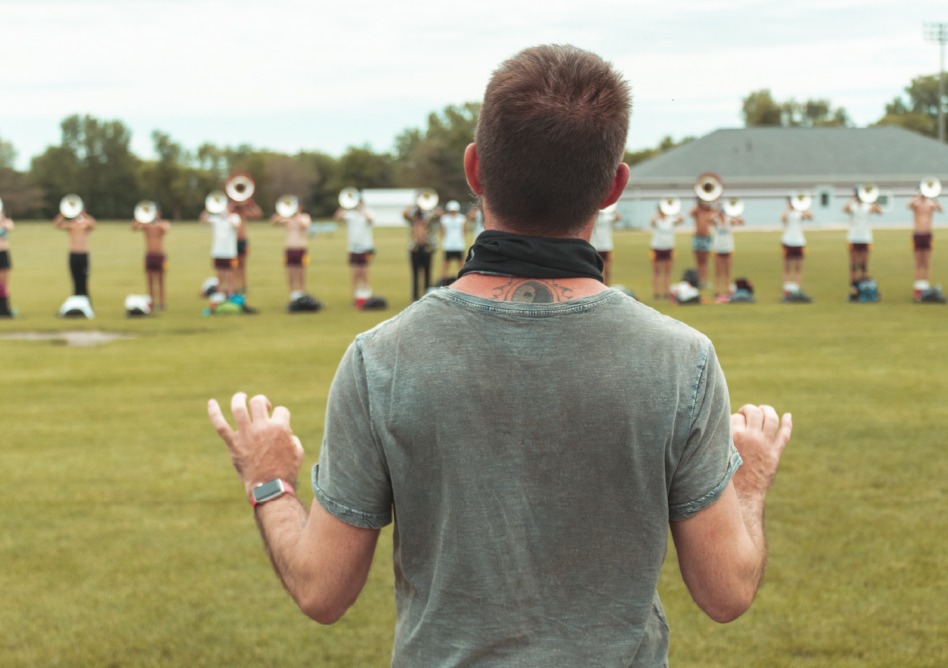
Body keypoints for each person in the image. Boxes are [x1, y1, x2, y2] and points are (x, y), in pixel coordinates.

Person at [208, 44, 792, 665]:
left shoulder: (380, 358)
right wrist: (749, 480)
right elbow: (727, 591)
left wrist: (267, 478)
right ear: (614, 186)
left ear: (475, 170)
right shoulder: (684, 361)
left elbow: (321, 589)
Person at [335, 201, 376, 302]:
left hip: (365, 248)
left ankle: (366, 295)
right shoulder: (350, 214)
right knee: (355, 274)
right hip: (353, 248)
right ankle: (356, 297)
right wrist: (345, 205)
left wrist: (363, 211)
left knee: (365, 272)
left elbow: (371, 219)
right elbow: (337, 217)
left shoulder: (368, 212)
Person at [131, 205, 170, 310]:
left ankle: (162, 303)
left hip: (160, 256)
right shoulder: (146, 225)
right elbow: (133, 227)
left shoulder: (163, 223)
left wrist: (156, 222)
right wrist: (139, 217)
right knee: (150, 282)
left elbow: (166, 229)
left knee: (161, 281)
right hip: (149, 256)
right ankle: (151, 302)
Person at [53, 206, 97, 297]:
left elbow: (93, 224)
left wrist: (84, 216)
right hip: (73, 253)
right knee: (75, 279)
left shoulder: (86, 224)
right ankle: (76, 298)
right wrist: (64, 213)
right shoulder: (71, 224)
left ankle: (85, 298)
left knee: (84, 279)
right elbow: (57, 224)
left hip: (83, 253)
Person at [272, 203, 312, 300]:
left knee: (301, 275)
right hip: (289, 249)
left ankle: (302, 296)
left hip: (301, 249)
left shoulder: (304, 217)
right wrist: (281, 212)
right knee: (290, 276)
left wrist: (296, 216)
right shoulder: (287, 218)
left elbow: (305, 225)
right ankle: (292, 297)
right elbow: (273, 222)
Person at [907, 191, 943, 299]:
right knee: (918, 263)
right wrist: (916, 197)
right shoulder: (916, 203)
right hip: (917, 234)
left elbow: (940, 209)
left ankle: (926, 287)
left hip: (927, 235)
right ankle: (917, 289)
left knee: (926, 263)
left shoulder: (930, 203)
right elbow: (909, 205)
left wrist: (933, 198)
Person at [200, 206, 241, 296]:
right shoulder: (215, 218)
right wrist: (208, 208)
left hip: (230, 252)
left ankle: (231, 294)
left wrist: (228, 217)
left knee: (231, 275)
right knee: (219, 276)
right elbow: (203, 219)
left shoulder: (234, 217)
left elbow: (236, 226)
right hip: (218, 252)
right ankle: (220, 294)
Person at [844, 190, 882, 285]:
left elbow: (879, 211)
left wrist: (871, 200)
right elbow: (845, 209)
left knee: (864, 264)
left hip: (866, 237)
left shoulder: (868, 206)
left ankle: (863, 282)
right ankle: (854, 285)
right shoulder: (853, 206)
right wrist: (852, 200)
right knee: (854, 264)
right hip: (853, 237)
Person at [403, 205, 441, 300]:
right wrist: (414, 206)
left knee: (428, 273)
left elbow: (440, 215)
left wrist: (432, 206)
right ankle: (415, 296)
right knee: (415, 273)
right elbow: (404, 214)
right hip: (415, 248)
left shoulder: (430, 218)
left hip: (427, 247)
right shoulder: (413, 219)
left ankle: (427, 294)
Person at [780, 198, 813, 297]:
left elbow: (810, 216)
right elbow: (783, 218)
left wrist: (802, 208)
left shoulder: (800, 213)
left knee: (798, 267)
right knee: (787, 267)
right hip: (787, 241)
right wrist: (789, 209)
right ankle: (787, 288)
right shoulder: (787, 213)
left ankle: (797, 288)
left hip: (799, 242)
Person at [711, 207, 743, 303]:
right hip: (718, 248)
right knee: (718, 272)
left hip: (728, 248)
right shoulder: (716, 221)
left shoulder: (730, 221)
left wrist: (735, 215)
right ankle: (718, 291)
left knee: (727, 272)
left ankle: (727, 290)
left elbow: (742, 221)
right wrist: (716, 212)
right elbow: (709, 218)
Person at [649, 206, 682, 299]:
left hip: (669, 247)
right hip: (657, 247)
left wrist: (674, 211)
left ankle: (666, 291)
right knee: (656, 271)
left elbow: (681, 219)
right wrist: (657, 215)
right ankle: (657, 292)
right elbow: (651, 222)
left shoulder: (671, 219)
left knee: (667, 271)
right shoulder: (657, 220)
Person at [231, 199, 263, 294]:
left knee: (242, 265)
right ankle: (234, 287)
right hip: (232, 242)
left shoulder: (244, 211)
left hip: (242, 241)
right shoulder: (232, 211)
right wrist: (232, 205)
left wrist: (251, 204)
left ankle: (243, 286)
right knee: (233, 265)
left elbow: (258, 215)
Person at [689, 200, 719, 287]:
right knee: (698, 261)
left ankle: (705, 281)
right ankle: (697, 280)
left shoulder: (709, 210)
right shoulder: (697, 211)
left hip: (706, 237)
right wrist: (698, 205)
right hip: (697, 237)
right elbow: (690, 213)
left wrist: (711, 203)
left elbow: (716, 211)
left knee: (705, 261)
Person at [439, 201, 468, 278]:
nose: (453, 213)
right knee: (446, 263)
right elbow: (442, 231)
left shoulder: (462, 218)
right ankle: (444, 279)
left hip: (459, 244)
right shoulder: (444, 219)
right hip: (448, 244)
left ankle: (463, 278)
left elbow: (464, 231)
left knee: (461, 263)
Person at [0, 204, 13, 317]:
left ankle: (5, 309)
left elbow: (10, 228)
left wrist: (2, 219)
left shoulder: (6, 221)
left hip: (3, 254)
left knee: (4, 283)